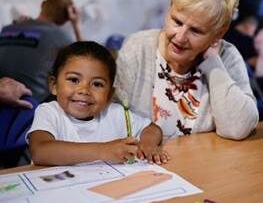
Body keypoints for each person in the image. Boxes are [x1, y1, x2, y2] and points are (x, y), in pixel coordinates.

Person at [115, 0, 259, 140]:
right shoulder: (138, 47)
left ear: (219, 33)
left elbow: (239, 128)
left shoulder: (227, 56)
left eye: (196, 30)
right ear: (170, 7)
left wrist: (214, 64)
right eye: (177, 21)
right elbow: (114, 122)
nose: (180, 37)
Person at [26, 41, 169, 166]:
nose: (84, 90)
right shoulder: (48, 112)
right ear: (54, 85)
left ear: (109, 94)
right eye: (74, 80)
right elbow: (40, 152)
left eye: (97, 84)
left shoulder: (114, 113)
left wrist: (148, 144)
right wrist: (104, 150)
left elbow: (152, 129)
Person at [0, 0, 83, 103]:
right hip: (29, 106)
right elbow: (85, 63)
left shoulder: (7, 29)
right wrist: (76, 24)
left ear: (42, 4)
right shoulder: (61, 37)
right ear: (66, 18)